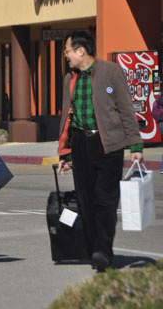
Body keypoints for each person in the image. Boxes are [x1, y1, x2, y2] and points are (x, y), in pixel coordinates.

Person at [57, 31, 143, 272]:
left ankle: (103, 251)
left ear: (81, 50)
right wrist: (65, 152)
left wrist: (135, 145)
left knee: (105, 201)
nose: (66, 55)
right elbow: (67, 117)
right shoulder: (69, 79)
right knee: (86, 201)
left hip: (108, 145)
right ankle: (95, 247)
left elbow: (126, 109)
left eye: (67, 51)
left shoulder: (111, 72)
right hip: (81, 145)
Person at [151, 92, 163, 173]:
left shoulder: (158, 100)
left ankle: (162, 167)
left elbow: (154, 113)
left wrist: (158, 120)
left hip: (161, 124)